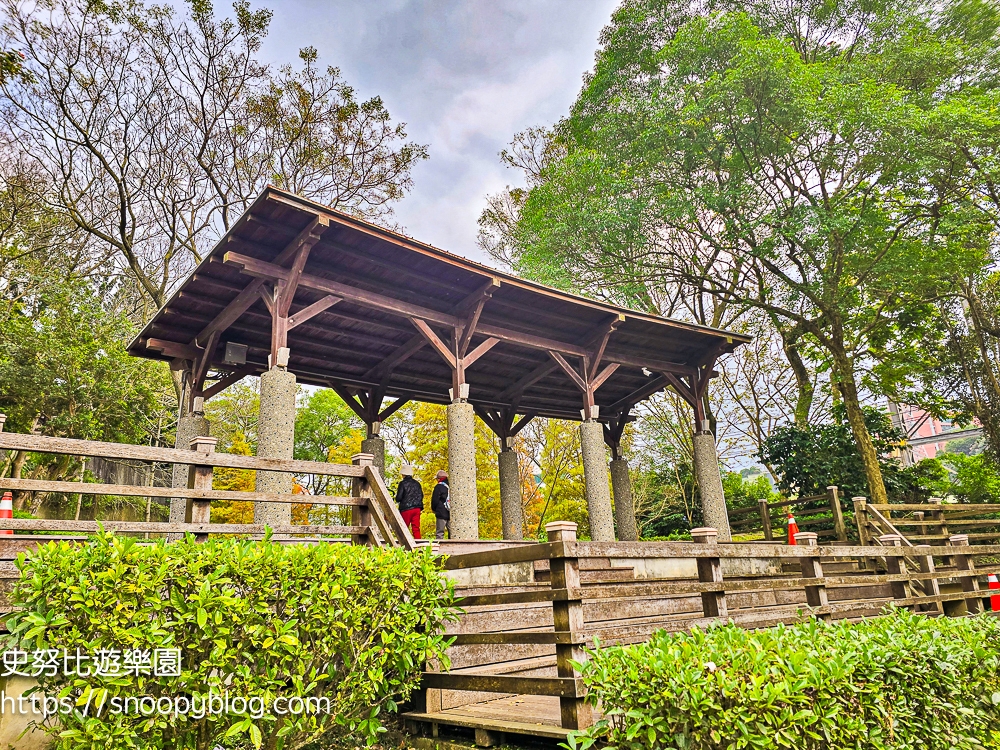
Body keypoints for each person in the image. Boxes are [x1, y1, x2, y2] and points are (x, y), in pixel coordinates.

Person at [395, 465, 424, 539]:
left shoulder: (402, 483)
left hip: (406, 509)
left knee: (404, 528)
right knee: (416, 528)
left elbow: (399, 498)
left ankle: (404, 544)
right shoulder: (417, 483)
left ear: (403, 474)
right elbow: (421, 495)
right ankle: (419, 544)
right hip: (417, 508)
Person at [430, 470, 450, 540]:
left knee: (440, 533)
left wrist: (434, 509)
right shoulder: (451, 486)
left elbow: (435, 500)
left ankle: (440, 548)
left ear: (439, 479)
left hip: (441, 512)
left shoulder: (438, 487)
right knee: (452, 533)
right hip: (451, 512)